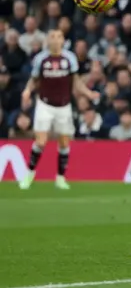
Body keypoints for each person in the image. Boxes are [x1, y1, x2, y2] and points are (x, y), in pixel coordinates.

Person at [19, 29, 99, 190]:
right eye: (52, 36)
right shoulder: (41, 58)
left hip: (64, 105)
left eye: (58, 37)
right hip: (45, 104)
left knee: (64, 142)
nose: (55, 39)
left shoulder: (69, 58)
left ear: (63, 40)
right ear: (48, 40)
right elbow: (34, 80)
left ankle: (60, 178)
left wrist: (88, 93)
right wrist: (27, 90)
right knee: (41, 141)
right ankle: (29, 174)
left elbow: (75, 81)